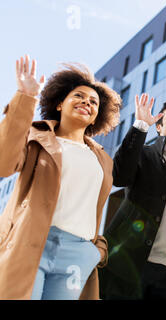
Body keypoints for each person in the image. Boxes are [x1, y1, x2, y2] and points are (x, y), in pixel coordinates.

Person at [0, 55, 121, 300]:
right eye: (78, 96)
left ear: (96, 117)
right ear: (59, 104)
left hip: (78, 253)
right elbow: (4, 164)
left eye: (93, 102)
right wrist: (26, 97)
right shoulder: (37, 136)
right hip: (32, 243)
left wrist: (96, 251)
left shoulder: (102, 159)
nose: (86, 102)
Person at [98, 94, 166, 300]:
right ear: (159, 128)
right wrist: (141, 125)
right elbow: (119, 176)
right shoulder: (143, 153)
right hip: (132, 263)